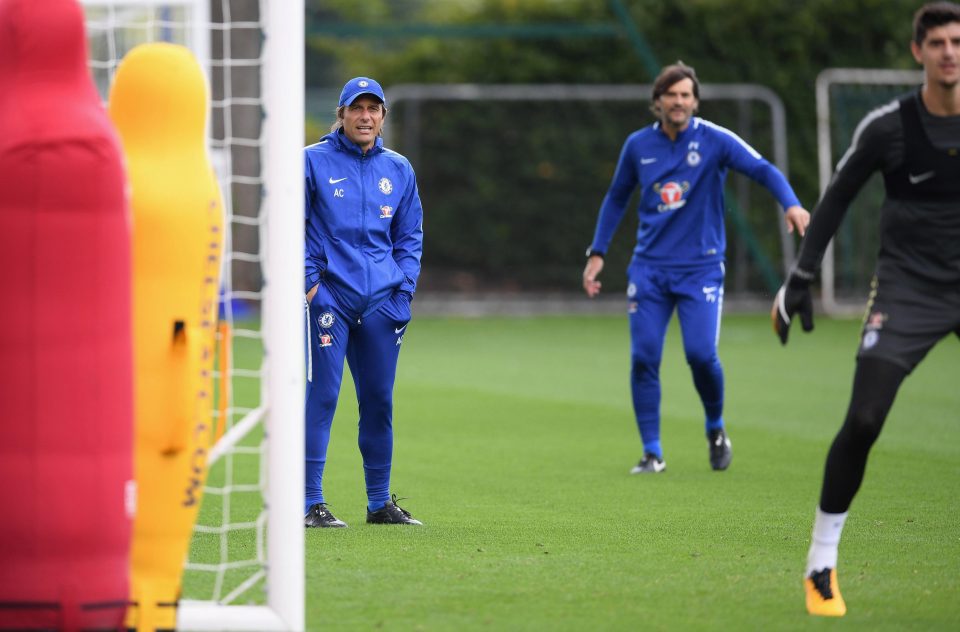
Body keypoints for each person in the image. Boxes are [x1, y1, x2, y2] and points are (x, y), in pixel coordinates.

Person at [773, 2, 960, 617]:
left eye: (958, 42)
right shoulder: (889, 128)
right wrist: (800, 278)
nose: (950, 53)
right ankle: (821, 565)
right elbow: (834, 200)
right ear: (918, 53)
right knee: (863, 421)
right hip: (908, 291)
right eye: (937, 43)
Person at [583, 62, 809, 474]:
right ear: (658, 101)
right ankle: (652, 453)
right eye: (672, 94)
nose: (679, 101)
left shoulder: (714, 140)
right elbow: (617, 198)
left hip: (700, 270)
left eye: (686, 95)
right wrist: (597, 253)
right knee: (644, 358)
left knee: (701, 355)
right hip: (648, 270)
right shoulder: (637, 145)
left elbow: (762, 169)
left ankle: (715, 427)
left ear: (695, 101)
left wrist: (791, 203)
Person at [303, 76, 424, 527]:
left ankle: (378, 504)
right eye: (357, 108)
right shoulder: (311, 162)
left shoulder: (399, 168)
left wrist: (404, 290)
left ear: (383, 117)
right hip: (329, 299)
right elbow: (289, 224)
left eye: (374, 109)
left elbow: (410, 235)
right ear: (342, 113)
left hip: (382, 304)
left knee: (378, 400)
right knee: (323, 397)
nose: (366, 116)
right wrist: (310, 283)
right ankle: (311, 503)